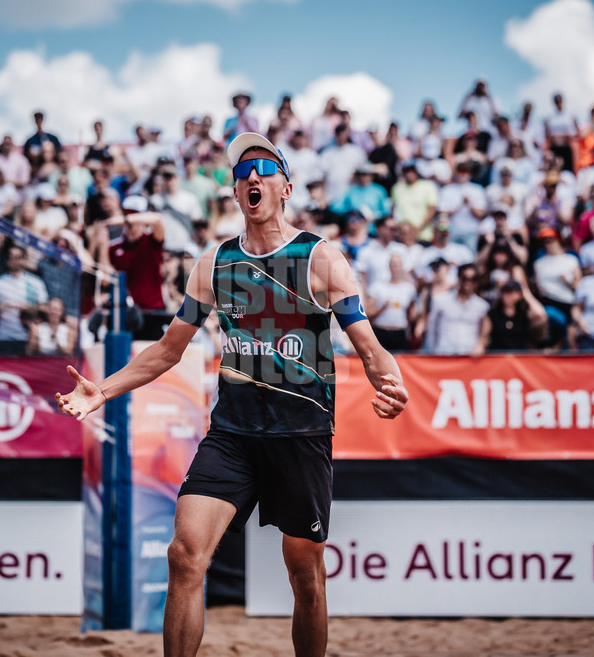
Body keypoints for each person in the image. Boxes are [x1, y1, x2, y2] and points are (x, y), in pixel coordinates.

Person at [55, 132, 408, 657]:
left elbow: (369, 344)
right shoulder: (213, 263)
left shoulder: (320, 258)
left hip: (301, 433)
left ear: (285, 187)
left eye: (264, 168)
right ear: (235, 193)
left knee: (305, 576)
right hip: (233, 435)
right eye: (242, 173)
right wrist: (100, 391)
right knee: (184, 555)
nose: (252, 178)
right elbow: (167, 351)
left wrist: (392, 383)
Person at [423, 262, 490, 357]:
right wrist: (432, 353)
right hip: (443, 355)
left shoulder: (482, 306)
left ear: (477, 282)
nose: (468, 282)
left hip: (470, 358)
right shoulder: (440, 301)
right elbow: (432, 329)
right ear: (458, 278)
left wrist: (480, 344)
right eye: (464, 278)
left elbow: (484, 331)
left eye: (473, 279)